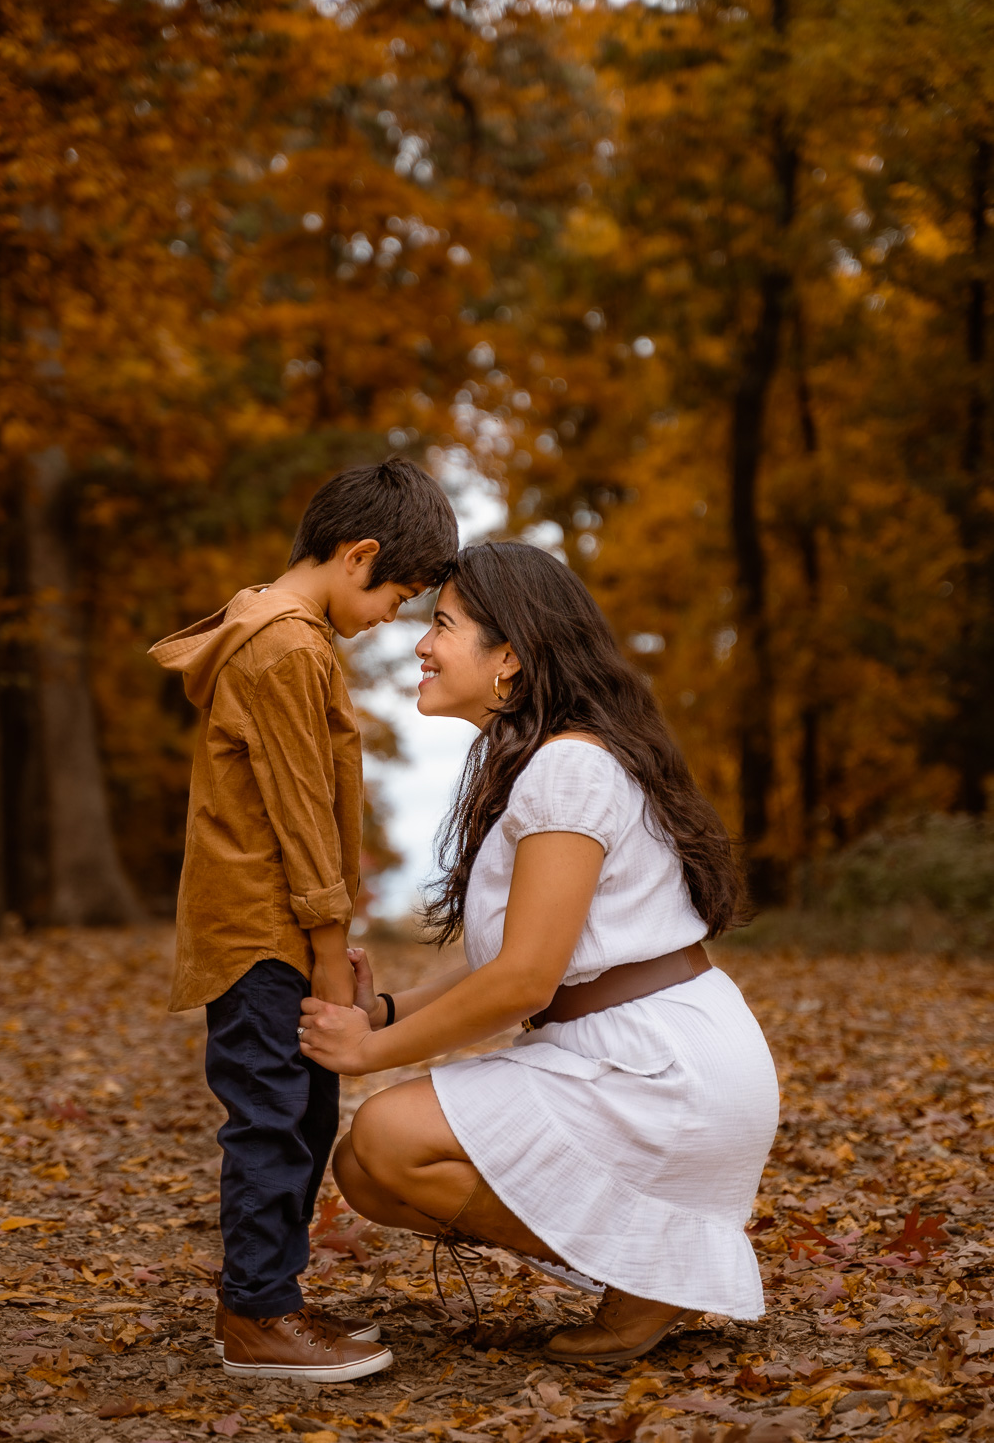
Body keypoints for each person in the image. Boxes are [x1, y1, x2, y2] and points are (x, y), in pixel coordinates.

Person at [298, 541, 781, 1364]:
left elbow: (524, 980)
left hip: (658, 1071)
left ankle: (657, 1275)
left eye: (442, 625)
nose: (420, 644)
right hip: (626, 1053)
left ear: (510, 656)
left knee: (384, 1139)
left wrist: (370, 1054)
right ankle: (650, 1268)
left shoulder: (568, 766)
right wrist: (382, 1009)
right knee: (367, 1170)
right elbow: (514, 965)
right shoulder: (540, 760)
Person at [148, 458, 458, 1383]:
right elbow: (296, 808)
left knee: (299, 1110)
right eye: (400, 593)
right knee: (276, 1118)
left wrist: (330, 932)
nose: (398, 616)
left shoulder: (281, 635)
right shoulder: (287, 648)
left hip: (275, 922)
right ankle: (258, 1318)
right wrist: (327, 951)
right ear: (358, 555)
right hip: (261, 933)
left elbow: (308, 809)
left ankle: (269, 1295)